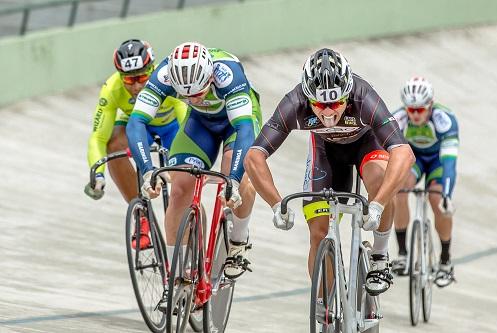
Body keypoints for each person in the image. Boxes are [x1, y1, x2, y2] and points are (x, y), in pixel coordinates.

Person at [244, 48, 415, 296]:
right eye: (319, 104)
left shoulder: (363, 96)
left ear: (347, 94)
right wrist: (275, 204)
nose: (327, 112)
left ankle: (379, 256)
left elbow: (404, 153)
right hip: (326, 152)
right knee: (318, 234)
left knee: (378, 180)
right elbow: (254, 156)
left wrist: (377, 205)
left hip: (366, 146)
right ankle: (326, 309)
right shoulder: (295, 102)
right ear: (307, 98)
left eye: (335, 103)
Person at [126, 42, 262, 279]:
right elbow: (136, 123)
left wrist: (233, 179)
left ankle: (238, 241)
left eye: (198, 94)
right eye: (186, 96)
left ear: (210, 77)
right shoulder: (165, 75)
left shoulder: (227, 74)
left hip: (237, 124)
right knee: (179, 189)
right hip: (200, 124)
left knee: (237, 175)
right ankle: (175, 276)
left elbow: (245, 131)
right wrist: (148, 169)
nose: (194, 99)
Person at [84, 39, 187, 249]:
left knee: (183, 182)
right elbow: (98, 137)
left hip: (172, 127)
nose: (137, 86)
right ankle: (141, 214)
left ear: (152, 68)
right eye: (129, 81)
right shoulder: (112, 88)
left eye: (141, 77)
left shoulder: (168, 79)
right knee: (113, 145)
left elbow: (188, 122)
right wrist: (98, 174)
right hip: (137, 126)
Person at [391, 77, 459, 283]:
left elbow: (449, 163)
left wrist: (447, 194)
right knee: (399, 191)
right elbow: (392, 159)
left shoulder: (444, 119)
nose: (414, 114)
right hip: (415, 159)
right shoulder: (398, 119)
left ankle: (445, 261)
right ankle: (402, 253)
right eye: (410, 109)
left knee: (437, 200)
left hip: (438, 161)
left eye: (420, 110)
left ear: (430, 105)